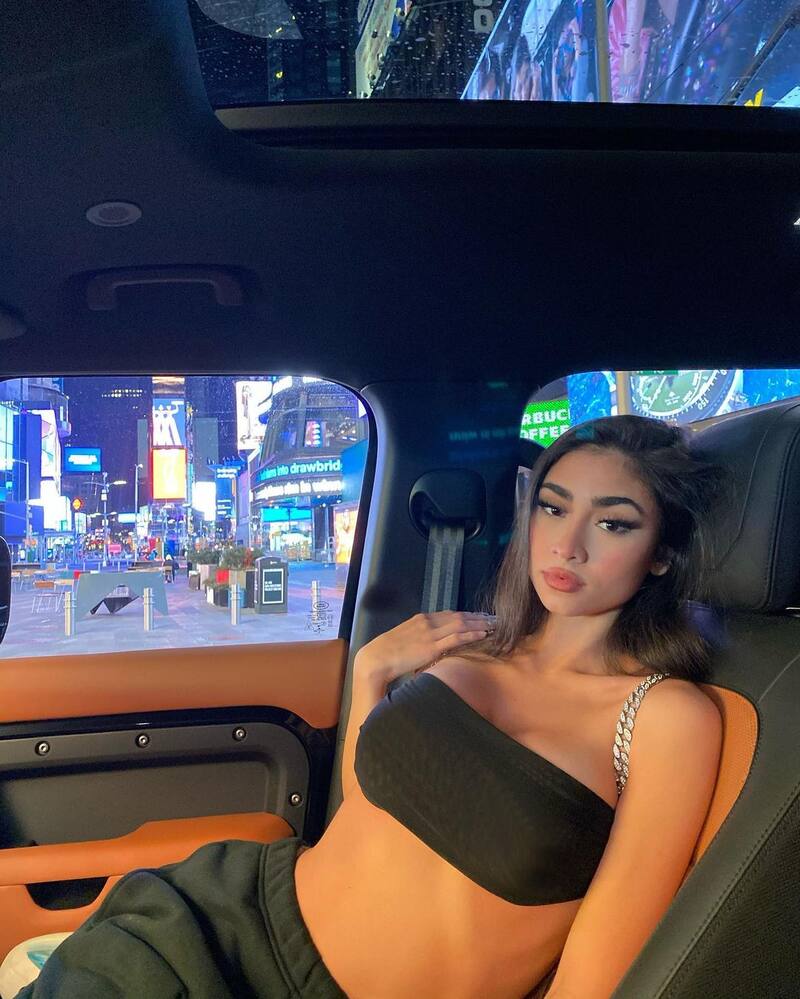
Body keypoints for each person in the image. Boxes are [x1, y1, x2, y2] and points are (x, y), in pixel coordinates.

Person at [14, 415, 727, 999]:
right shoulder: (470, 642)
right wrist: (371, 674)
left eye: (614, 524)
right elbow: (373, 809)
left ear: (661, 554)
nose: (567, 544)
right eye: (553, 506)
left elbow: (596, 977)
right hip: (225, 913)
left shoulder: (663, 716)